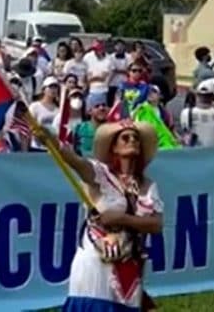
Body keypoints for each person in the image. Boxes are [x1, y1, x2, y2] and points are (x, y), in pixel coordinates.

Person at [35, 120, 162, 311]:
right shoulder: (100, 174)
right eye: (125, 138)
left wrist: (120, 219)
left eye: (136, 138)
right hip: (96, 259)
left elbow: (156, 224)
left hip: (128, 261)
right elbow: (75, 162)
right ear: (114, 147)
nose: (132, 140)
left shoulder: (147, 185)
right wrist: (52, 141)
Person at [179, 82, 214, 147]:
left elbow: (184, 129)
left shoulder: (186, 113)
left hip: (195, 153)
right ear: (212, 96)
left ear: (197, 95)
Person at [28, 77, 61, 151]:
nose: (53, 90)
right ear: (44, 89)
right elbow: (29, 126)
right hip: (37, 147)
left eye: (55, 87)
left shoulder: (59, 109)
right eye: (51, 87)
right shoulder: (35, 106)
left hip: (54, 148)